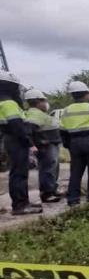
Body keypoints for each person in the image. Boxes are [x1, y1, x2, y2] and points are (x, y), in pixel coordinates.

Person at [0, 71, 42, 215]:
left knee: (17, 172)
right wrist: (30, 143)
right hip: (16, 141)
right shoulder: (9, 103)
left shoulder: (3, 102)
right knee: (19, 173)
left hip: (10, 139)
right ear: (9, 86)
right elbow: (17, 126)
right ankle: (20, 205)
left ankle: (23, 202)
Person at [25, 88, 64, 203]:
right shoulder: (34, 114)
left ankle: (52, 189)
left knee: (53, 168)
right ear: (38, 102)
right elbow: (29, 132)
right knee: (47, 169)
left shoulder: (40, 114)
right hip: (46, 146)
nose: (46, 103)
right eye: (44, 101)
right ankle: (47, 193)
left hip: (51, 144)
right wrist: (33, 146)